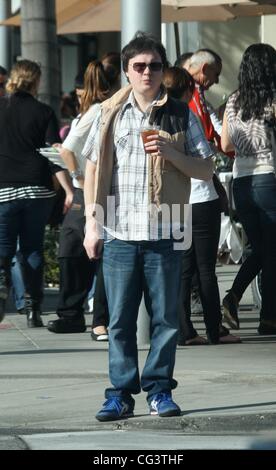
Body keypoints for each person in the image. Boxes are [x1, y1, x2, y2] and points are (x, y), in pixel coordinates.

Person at [82, 31, 213, 421]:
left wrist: (172, 152)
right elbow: (91, 168)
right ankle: (120, 394)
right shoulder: (110, 114)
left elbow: (206, 167)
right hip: (120, 232)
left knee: (167, 320)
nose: (147, 73)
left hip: (168, 231)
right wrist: (92, 223)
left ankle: (159, 391)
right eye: (139, 66)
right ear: (126, 72)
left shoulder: (181, 114)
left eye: (155, 66)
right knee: (119, 321)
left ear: (163, 70)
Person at [0, 59, 73, 326]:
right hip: (38, 191)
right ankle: (33, 309)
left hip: (3, 190)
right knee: (32, 249)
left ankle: (1, 289)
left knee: (3, 248)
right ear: (36, 81)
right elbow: (52, 154)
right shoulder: (43, 112)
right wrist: (67, 190)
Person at [176, 50, 240, 345]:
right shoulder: (189, 110)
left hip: (176, 200)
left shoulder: (152, 113)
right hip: (201, 197)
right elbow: (206, 154)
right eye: (212, 75)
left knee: (184, 268)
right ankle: (214, 330)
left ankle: (184, 329)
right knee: (205, 269)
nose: (212, 83)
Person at [47, 60, 111, 337]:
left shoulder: (95, 111)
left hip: (90, 189)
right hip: (93, 190)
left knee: (81, 249)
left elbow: (69, 150)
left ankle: (86, 316)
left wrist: (77, 177)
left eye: (78, 92)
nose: (76, 97)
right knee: (86, 250)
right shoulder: (99, 111)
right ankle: (90, 317)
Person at [221, 43, 276, 335]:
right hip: (269, 177)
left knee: (262, 248)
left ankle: (238, 301)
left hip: (240, 180)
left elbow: (225, 144)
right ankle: (264, 314)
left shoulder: (234, 100)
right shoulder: (274, 98)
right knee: (271, 251)